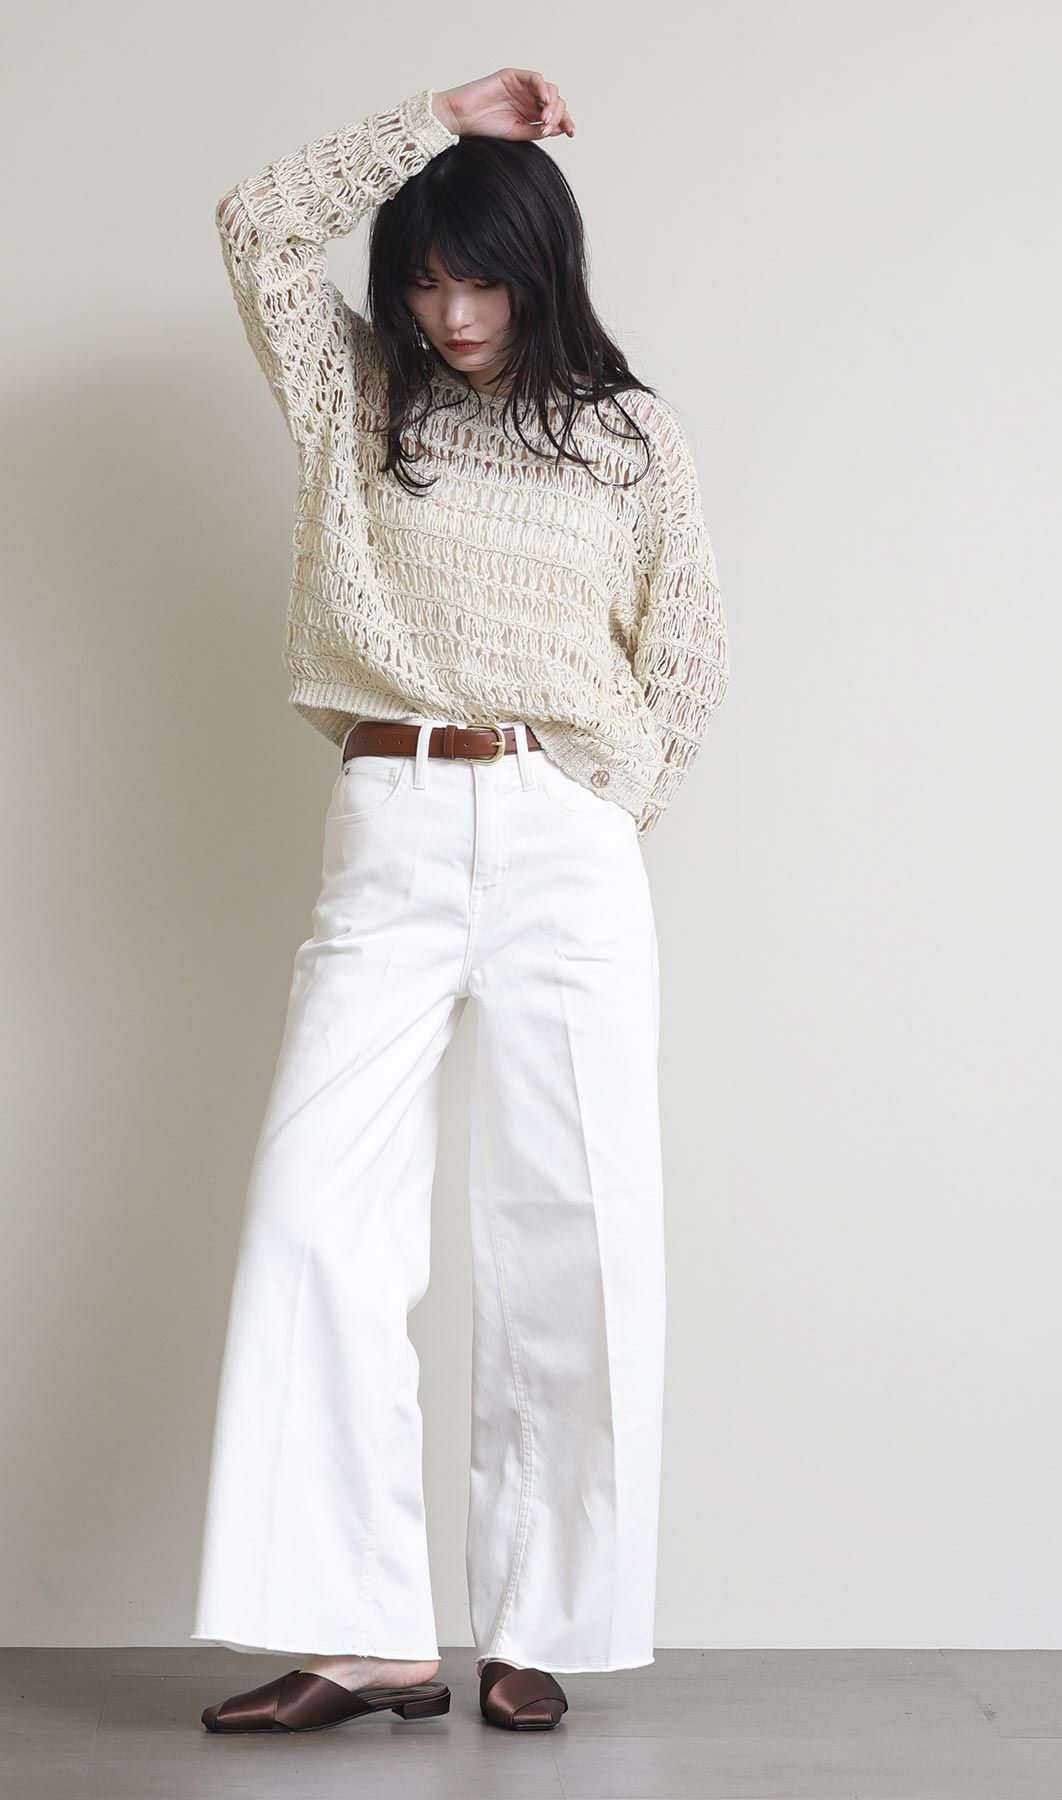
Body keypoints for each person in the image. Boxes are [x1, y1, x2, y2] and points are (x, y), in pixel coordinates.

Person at [192, 66, 730, 1736]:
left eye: (483, 278)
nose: (453, 312)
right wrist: (431, 121)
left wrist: (597, 802)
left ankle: (540, 1619)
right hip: (395, 816)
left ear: (542, 271)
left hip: (565, 835)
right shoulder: (363, 401)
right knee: (315, 1215)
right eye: (425, 280)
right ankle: (362, 1635)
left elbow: (688, 657)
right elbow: (255, 227)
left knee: (578, 1221)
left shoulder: (630, 437)